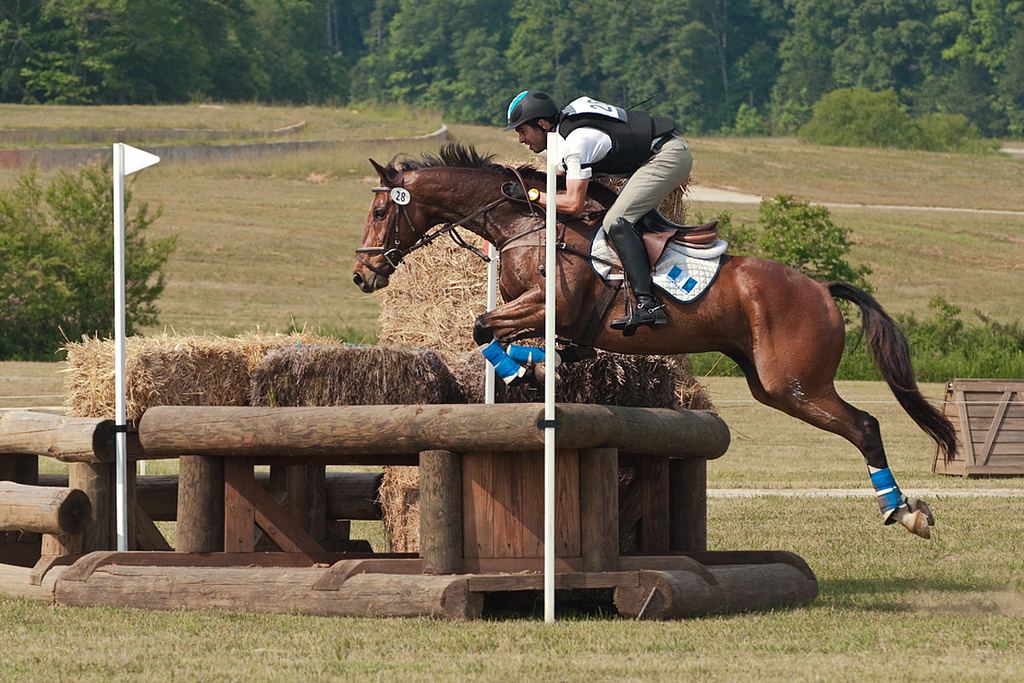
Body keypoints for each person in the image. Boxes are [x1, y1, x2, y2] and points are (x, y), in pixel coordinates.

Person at [504, 90, 693, 335]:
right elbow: (563, 177)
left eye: (522, 131)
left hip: (667, 156)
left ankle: (649, 304)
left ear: (542, 124)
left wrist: (532, 196)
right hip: (654, 154)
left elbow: (574, 204)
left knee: (617, 220)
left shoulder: (576, 144)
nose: (520, 140)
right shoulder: (569, 125)